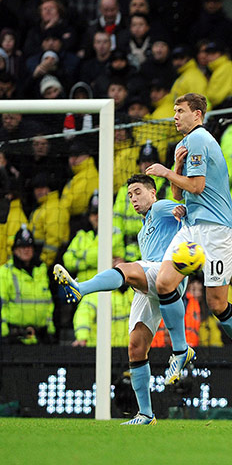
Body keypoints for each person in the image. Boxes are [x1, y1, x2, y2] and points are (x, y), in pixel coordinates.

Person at [53, 174, 183, 424]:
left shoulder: (160, 206)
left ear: (152, 192)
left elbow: (185, 211)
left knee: (127, 268)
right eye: (130, 195)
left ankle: (81, 287)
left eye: (137, 192)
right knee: (135, 347)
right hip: (151, 285)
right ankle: (146, 413)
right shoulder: (144, 230)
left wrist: (182, 211)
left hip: (170, 273)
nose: (133, 199)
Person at [145, 93, 232, 389]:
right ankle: (181, 350)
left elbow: (198, 185)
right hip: (191, 227)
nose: (175, 116)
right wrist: (175, 168)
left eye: (180, 111)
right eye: (174, 111)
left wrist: (165, 171)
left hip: (216, 230)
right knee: (164, 283)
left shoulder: (200, 139)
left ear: (198, 115)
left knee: (217, 304)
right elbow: (180, 194)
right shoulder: (184, 145)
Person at [0, 227, 55, 345]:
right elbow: (1, 305)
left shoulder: (41, 271)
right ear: (14, 250)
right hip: (13, 339)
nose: (26, 250)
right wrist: (4, 334)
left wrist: (50, 330)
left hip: (40, 338)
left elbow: (49, 303)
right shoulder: (5, 272)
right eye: (22, 247)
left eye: (29, 247)